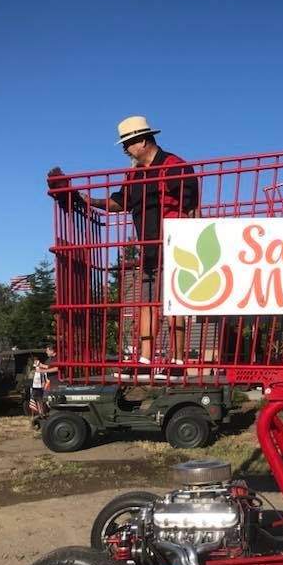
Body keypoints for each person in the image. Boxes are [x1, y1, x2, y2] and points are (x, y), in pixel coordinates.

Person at [68, 116, 199, 368]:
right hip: (149, 248)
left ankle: (177, 359)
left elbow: (192, 202)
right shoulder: (134, 175)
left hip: (176, 246)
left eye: (126, 144)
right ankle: (145, 358)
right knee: (146, 302)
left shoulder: (174, 165)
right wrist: (90, 200)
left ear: (141, 141)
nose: (124, 149)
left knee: (174, 304)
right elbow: (120, 202)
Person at [29, 343, 59, 417]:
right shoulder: (50, 359)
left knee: (52, 400)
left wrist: (43, 371)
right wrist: (40, 365)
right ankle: (43, 414)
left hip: (56, 383)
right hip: (49, 382)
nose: (46, 352)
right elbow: (49, 366)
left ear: (52, 351)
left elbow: (57, 368)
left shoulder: (58, 358)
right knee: (45, 399)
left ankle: (51, 414)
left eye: (47, 350)